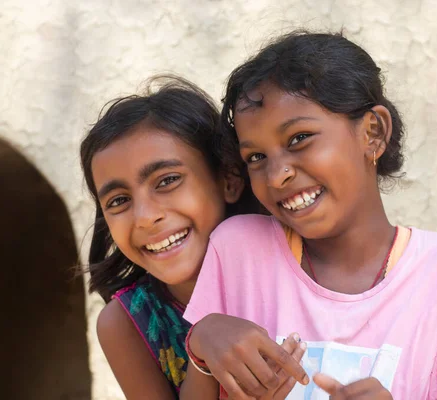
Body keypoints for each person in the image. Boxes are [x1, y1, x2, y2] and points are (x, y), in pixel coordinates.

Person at [182, 31, 437, 400]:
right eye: (256, 157)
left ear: (373, 133)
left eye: (298, 138)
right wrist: (203, 341)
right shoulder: (238, 251)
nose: (277, 175)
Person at [79, 76, 288, 399]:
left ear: (228, 178)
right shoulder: (127, 322)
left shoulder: (295, 263)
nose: (146, 216)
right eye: (119, 201)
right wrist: (201, 353)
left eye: (167, 181)